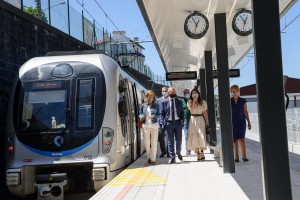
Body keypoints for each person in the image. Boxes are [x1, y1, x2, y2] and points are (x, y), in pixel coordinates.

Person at [160, 87, 184, 164]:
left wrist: (182, 121)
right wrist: (164, 123)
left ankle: (178, 152)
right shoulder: (164, 102)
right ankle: (172, 157)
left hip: (178, 123)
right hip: (169, 123)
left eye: (173, 91)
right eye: (171, 92)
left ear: (175, 92)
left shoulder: (179, 101)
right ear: (168, 92)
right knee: (170, 141)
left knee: (179, 139)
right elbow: (162, 114)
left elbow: (182, 112)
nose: (172, 93)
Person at [230, 85, 251, 163]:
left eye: (234, 91)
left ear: (238, 91)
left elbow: (245, 112)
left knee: (241, 139)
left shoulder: (243, 101)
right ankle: (236, 157)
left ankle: (244, 157)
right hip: (232, 122)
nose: (233, 93)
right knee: (234, 139)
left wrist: (249, 122)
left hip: (241, 122)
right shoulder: (229, 101)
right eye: (231, 91)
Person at [187, 89, 209, 161]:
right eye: (193, 93)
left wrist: (207, 122)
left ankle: (202, 151)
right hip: (193, 119)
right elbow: (191, 110)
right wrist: (194, 101)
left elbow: (205, 113)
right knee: (194, 135)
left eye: (195, 93)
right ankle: (198, 153)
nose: (194, 94)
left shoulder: (203, 102)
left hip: (200, 119)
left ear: (198, 93)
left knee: (201, 135)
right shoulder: (189, 101)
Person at [139, 90, 160, 165]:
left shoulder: (156, 105)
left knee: (154, 142)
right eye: (149, 96)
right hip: (146, 126)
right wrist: (142, 116)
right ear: (147, 97)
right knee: (146, 143)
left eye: (152, 96)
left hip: (154, 125)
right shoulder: (143, 105)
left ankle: (153, 159)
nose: (150, 98)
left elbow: (159, 114)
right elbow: (140, 113)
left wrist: (155, 116)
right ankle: (149, 157)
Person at [157, 86, 169, 158]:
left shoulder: (170, 99)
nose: (164, 92)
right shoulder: (159, 100)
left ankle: (168, 152)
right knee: (161, 137)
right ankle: (163, 151)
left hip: (168, 121)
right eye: (163, 91)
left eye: (165, 91)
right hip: (161, 121)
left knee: (168, 137)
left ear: (167, 91)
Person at [182, 89, 191, 155]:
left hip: (193, 119)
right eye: (185, 93)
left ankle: (195, 148)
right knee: (187, 134)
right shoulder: (182, 101)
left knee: (194, 134)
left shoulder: (193, 100)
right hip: (186, 120)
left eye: (188, 93)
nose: (187, 94)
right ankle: (188, 150)